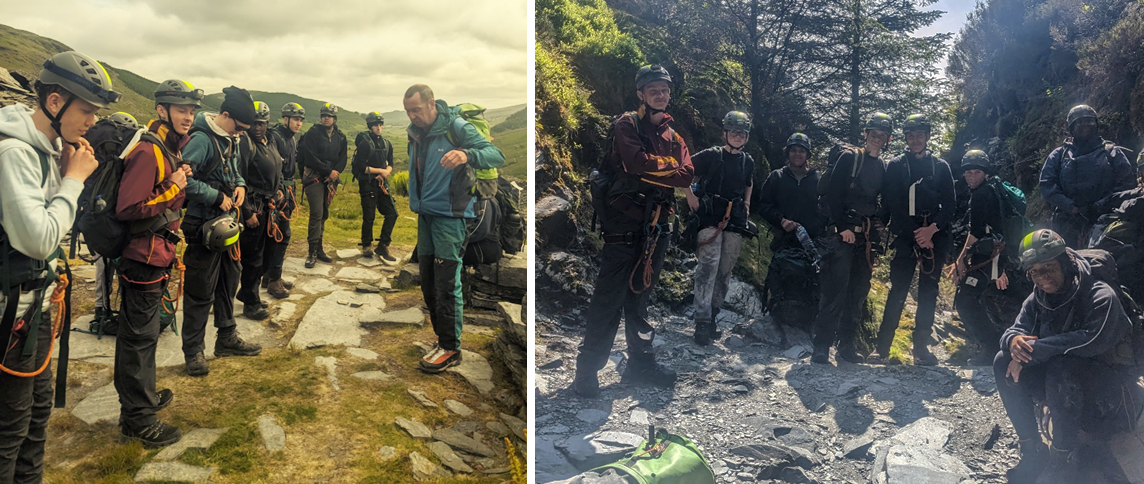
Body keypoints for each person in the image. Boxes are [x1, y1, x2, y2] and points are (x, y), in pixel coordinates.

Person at [0, 51, 109, 483]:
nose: (91, 123)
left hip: (35, 309)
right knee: (9, 430)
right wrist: (74, 181)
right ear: (54, 101)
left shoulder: (47, 150)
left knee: (36, 417)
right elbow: (40, 238)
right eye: (86, 111)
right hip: (12, 317)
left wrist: (66, 174)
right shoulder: (14, 153)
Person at [572, 65, 694, 397]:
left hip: (657, 226)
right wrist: (666, 168)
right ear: (640, 93)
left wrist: (655, 169)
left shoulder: (675, 136)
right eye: (652, 89)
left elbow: (687, 175)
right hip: (623, 225)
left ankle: (642, 364)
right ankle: (587, 372)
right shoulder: (626, 124)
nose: (660, 94)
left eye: (664, 89)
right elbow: (635, 163)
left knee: (640, 299)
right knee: (608, 299)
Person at [995, 229, 1143, 483]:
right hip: (1066, 390)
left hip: (1112, 397)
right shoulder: (1038, 298)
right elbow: (1016, 329)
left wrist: (1032, 351)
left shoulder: (1100, 295)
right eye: (1034, 272)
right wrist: (1014, 342)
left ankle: (1063, 457)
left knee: (1062, 365)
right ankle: (1033, 450)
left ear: (1065, 262)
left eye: (1048, 268)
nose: (1042, 278)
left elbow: (1091, 340)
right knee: (1001, 361)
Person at [111, 79, 203, 448]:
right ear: (162, 111)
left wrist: (177, 180)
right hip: (142, 258)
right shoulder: (149, 151)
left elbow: (158, 195)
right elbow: (129, 207)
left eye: (192, 111)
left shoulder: (167, 149)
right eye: (182, 109)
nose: (188, 116)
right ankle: (137, 418)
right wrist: (176, 183)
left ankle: (142, 397)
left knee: (145, 334)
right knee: (137, 338)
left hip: (157, 254)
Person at [403, 84, 505, 373]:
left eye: (416, 110)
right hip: (425, 216)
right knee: (428, 278)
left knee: (447, 281)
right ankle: (442, 338)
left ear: (432, 103)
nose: (412, 115)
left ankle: (451, 347)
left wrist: (466, 155)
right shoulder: (417, 131)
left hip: (451, 216)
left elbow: (495, 154)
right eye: (408, 111)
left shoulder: (456, 127)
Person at [180, 86, 263, 377]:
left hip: (225, 225)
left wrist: (239, 184)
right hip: (202, 226)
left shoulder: (232, 139)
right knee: (200, 290)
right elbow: (182, 180)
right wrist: (215, 197)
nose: (241, 133)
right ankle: (193, 351)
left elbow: (235, 170)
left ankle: (226, 338)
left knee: (230, 280)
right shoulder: (201, 140)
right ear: (224, 115)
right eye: (239, 127)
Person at [870, 114, 956, 366]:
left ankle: (921, 348)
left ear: (928, 136)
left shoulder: (941, 167)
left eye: (920, 134)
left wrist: (931, 231)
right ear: (905, 138)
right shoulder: (897, 165)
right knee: (898, 289)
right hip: (907, 234)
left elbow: (950, 205)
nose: (915, 139)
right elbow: (893, 203)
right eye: (911, 135)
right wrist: (917, 235)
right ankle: (882, 347)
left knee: (929, 292)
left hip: (935, 236)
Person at [811, 113, 891, 365]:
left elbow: (880, 202)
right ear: (865, 134)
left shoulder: (883, 167)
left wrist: (881, 222)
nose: (877, 139)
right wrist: (840, 227)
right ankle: (821, 345)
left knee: (858, 292)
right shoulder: (850, 158)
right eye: (873, 134)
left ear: (887, 139)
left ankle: (846, 345)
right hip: (842, 236)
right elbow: (832, 196)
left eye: (882, 135)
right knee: (834, 290)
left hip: (865, 238)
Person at [949, 150, 1031, 364]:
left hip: (993, 258)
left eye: (976, 172)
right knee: (1002, 296)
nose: (972, 177)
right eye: (968, 173)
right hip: (1003, 256)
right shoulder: (994, 188)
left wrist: (960, 262)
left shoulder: (981, 194)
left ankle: (991, 348)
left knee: (965, 301)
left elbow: (976, 233)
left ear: (985, 173)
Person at [684, 110, 755, 346]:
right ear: (725, 133)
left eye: (742, 133)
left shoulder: (747, 161)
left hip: (734, 220)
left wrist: (746, 204)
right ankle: (702, 321)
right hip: (708, 217)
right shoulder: (711, 156)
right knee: (708, 266)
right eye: (734, 132)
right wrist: (689, 197)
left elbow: (749, 182)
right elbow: (684, 170)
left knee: (725, 270)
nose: (738, 136)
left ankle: (713, 315)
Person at [1039, 104, 1136, 248]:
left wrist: (1100, 206)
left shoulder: (1111, 151)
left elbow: (1127, 182)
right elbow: (1047, 184)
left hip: (1107, 218)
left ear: (1096, 124)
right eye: (1079, 122)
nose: (1084, 125)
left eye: (1089, 121)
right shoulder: (1059, 155)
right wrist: (1071, 207)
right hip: (1069, 222)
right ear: (1071, 128)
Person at [756, 132, 826, 330]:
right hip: (784, 240)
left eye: (801, 151)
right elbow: (763, 206)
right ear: (787, 152)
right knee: (782, 277)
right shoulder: (776, 177)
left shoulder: (818, 180)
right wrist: (781, 220)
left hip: (811, 243)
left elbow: (826, 209)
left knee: (810, 280)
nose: (797, 154)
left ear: (807, 154)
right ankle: (778, 315)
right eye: (793, 150)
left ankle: (806, 321)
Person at [235, 101, 283, 320]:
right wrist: (246, 212)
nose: (257, 128)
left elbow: (277, 167)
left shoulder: (269, 140)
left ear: (267, 123)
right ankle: (251, 302)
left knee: (267, 253)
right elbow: (240, 179)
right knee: (253, 257)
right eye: (254, 124)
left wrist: (279, 189)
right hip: (254, 204)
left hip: (269, 203)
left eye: (261, 123)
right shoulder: (245, 143)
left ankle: (248, 292)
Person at [262, 102, 304, 299]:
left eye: (301, 120)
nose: (299, 123)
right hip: (277, 192)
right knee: (281, 235)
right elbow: (272, 166)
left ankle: (269, 275)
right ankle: (273, 280)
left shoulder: (291, 139)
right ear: (285, 119)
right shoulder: (275, 137)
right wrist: (278, 191)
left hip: (288, 190)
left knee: (276, 235)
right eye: (296, 119)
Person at [299, 103, 347, 268]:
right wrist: (328, 172)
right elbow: (310, 157)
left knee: (324, 214)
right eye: (324, 115)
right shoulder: (312, 134)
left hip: (329, 179)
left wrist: (335, 173)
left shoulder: (340, 136)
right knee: (317, 213)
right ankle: (311, 251)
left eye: (329, 115)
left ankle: (319, 249)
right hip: (314, 177)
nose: (326, 118)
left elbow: (343, 158)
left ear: (334, 118)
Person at [352, 111, 398, 262]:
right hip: (368, 184)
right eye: (375, 125)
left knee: (392, 213)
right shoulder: (365, 144)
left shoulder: (386, 144)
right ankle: (366, 245)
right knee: (369, 216)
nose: (378, 128)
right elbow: (361, 167)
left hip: (382, 184)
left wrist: (386, 173)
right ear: (370, 127)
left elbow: (390, 164)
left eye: (380, 125)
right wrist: (380, 171)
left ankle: (383, 245)